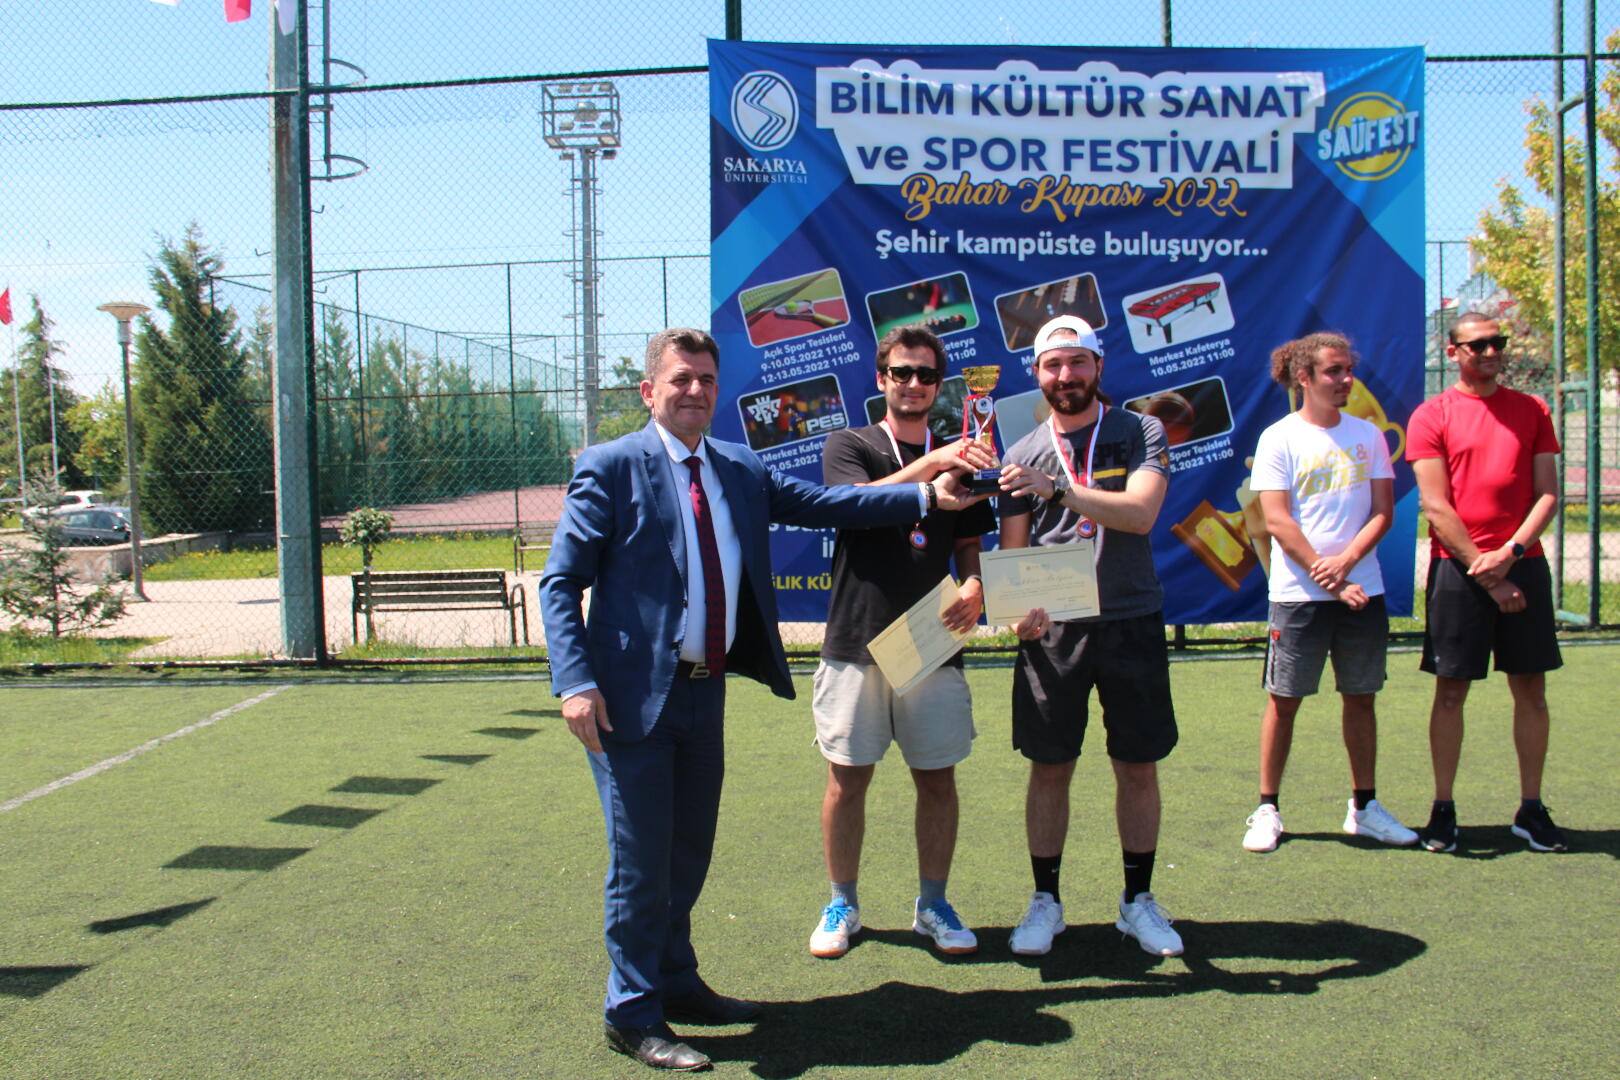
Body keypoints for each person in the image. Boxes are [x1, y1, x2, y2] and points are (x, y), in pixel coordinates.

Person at [540, 327, 984, 1072]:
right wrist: (576, 682)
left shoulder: (738, 467)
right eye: (680, 379)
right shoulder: (610, 466)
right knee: (640, 861)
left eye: (707, 380)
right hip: (628, 700)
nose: (695, 391)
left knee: (688, 850)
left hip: (703, 693)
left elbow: (825, 504)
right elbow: (560, 582)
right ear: (649, 391)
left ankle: (676, 981)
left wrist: (922, 496)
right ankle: (631, 1011)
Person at [995, 315, 1183, 958]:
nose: (1066, 374)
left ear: (1098, 366)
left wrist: (1059, 489)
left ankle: (1138, 900)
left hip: (1130, 618)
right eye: (1053, 364)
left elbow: (1141, 513)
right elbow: (1014, 554)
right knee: (1050, 768)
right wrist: (1016, 615)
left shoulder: (1139, 430)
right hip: (1056, 632)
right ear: (1037, 374)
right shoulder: (1020, 454)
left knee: (1137, 764)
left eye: (1077, 361)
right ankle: (1045, 900)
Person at [809, 325, 999, 960]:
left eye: (926, 374)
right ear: (881, 379)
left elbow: (969, 541)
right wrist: (933, 465)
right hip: (857, 637)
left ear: (939, 385)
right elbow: (847, 502)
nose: (914, 384)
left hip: (931, 637)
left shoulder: (964, 451)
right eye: (901, 372)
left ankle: (933, 904)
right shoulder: (851, 443)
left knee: (937, 780)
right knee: (847, 780)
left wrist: (975, 584)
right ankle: (842, 902)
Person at [1241, 333, 1417, 854]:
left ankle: (1365, 808)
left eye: (1347, 370)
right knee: (1284, 702)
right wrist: (1333, 579)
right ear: (1304, 378)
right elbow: (1277, 521)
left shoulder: (1369, 435)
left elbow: (1383, 512)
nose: (1345, 380)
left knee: (1361, 699)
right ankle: (1267, 809)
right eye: (1333, 371)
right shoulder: (1279, 438)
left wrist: (1346, 566)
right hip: (1299, 597)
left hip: (1364, 592)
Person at [1405, 312, 1565, 854]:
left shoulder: (1533, 409)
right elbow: (1435, 505)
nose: (1491, 352)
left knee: (1532, 692)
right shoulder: (1431, 415)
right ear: (1453, 352)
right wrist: (1488, 572)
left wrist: (1512, 552)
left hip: (1524, 564)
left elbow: (1547, 494)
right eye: (1478, 345)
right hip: (1459, 570)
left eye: (1498, 342)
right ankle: (1443, 810)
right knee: (1450, 694)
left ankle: (1531, 809)